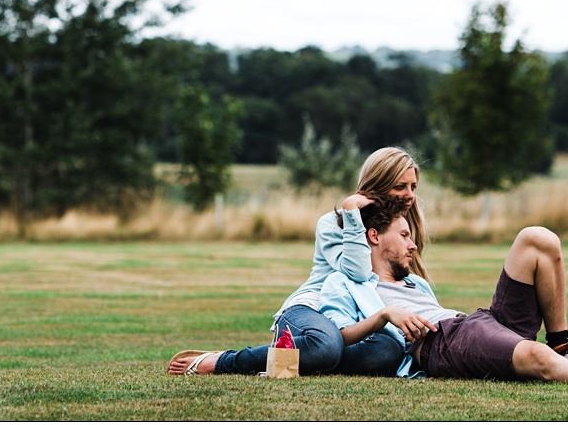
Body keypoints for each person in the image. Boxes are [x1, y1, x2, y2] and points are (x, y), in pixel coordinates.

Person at [318, 195, 568, 386]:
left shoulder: (416, 282)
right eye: (405, 236)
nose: (413, 246)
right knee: (533, 359)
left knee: (537, 239)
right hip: (443, 342)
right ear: (374, 238)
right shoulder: (350, 282)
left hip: (473, 323)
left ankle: (562, 346)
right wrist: (384, 315)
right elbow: (337, 338)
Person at [167, 147, 429, 377]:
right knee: (327, 345)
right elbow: (358, 273)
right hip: (313, 308)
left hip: (357, 322)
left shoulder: (403, 230)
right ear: (378, 185)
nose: (409, 195)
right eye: (400, 187)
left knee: (386, 351)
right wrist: (352, 213)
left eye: (413, 187)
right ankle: (225, 361)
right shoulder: (334, 222)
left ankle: (294, 359)